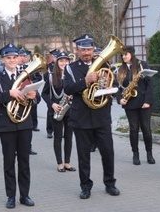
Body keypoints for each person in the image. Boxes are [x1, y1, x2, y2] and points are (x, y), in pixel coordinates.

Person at [63, 34, 119, 199]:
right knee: (83, 155)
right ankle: (85, 186)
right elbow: (68, 89)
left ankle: (110, 184)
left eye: (89, 49)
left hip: (102, 116)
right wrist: (86, 81)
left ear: (93, 49)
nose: (86, 52)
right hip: (81, 117)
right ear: (77, 50)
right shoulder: (71, 68)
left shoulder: (105, 64)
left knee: (108, 152)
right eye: (83, 49)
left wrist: (109, 89)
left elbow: (114, 85)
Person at [0, 43, 38, 208]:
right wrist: (9, 94)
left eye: (14, 57)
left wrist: (32, 97)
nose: (12, 60)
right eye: (8, 58)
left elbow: (37, 100)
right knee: (9, 162)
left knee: (24, 161)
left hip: (24, 124)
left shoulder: (25, 76)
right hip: (6, 124)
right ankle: (11, 196)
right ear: (3, 60)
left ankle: (25, 195)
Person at [116, 46, 155, 165]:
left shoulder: (142, 65)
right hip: (129, 103)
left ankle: (149, 154)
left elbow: (150, 84)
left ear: (132, 54)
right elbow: (118, 88)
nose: (123, 57)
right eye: (122, 55)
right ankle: (135, 154)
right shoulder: (120, 70)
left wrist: (147, 101)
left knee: (146, 129)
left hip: (144, 102)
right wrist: (120, 99)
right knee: (133, 129)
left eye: (126, 54)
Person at [42, 50, 75, 173]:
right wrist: (52, 104)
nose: (64, 63)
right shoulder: (50, 76)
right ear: (57, 62)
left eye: (66, 61)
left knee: (69, 137)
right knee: (57, 138)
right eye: (61, 61)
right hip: (56, 110)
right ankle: (59, 163)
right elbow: (44, 94)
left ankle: (67, 162)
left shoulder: (72, 76)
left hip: (70, 111)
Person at [44, 49, 59, 139]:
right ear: (52, 57)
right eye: (54, 57)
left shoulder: (62, 66)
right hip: (50, 91)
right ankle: (49, 130)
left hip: (60, 91)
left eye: (57, 57)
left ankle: (60, 130)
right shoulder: (48, 66)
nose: (56, 58)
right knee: (50, 112)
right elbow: (45, 77)